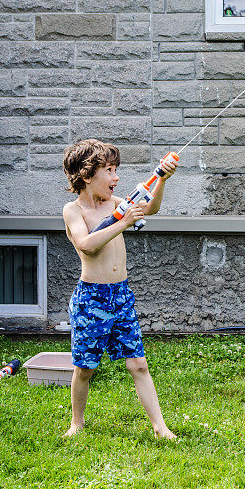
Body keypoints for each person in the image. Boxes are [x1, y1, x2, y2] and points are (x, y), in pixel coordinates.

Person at [61, 138, 178, 439]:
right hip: (92, 299)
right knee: (85, 368)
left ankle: (159, 427)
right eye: (109, 170)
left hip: (121, 295)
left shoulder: (116, 205)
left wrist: (161, 179)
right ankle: (77, 423)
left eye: (117, 170)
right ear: (87, 176)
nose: (116, 178)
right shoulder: (74, 211)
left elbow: (150, 208)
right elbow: (86, 245)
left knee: (138, 363)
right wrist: (122, 223)